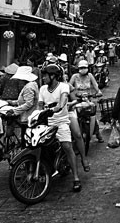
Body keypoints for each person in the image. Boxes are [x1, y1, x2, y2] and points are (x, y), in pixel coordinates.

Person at [38, 64, 81, 192]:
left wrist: (56, 108)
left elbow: (62, 102)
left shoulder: (63, 87)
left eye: (45, 75)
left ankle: (76, 178)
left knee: (67, 146)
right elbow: (40, 105)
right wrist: (39, 113)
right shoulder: (42, 89)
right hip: (47, 123)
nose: (43, 78)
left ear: (53, 76)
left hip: (61, 122)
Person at [68, 60, 103, 170]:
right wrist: (73, 95)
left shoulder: (90, 76)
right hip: (77, 101)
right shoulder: (74, 76)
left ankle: (97, 133)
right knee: (74, 119)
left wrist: (98, 91)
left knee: (93, 116)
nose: (83, 69)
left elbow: (96, 86)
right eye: (81, 68)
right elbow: (69, 86)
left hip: (88, 99)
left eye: (84, 67)